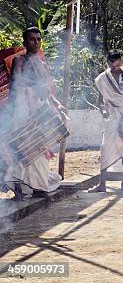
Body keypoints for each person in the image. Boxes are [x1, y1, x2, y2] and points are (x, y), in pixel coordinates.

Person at [3, 27, 65, 200]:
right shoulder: (19, 60)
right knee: (21, 148)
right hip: (22, 110)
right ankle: (18, 191)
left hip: (38, 111)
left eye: (38, 39)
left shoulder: (41, 63)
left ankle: (37, 186)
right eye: (32, 39)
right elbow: (15, 83)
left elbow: (47, 91)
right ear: (25, 42)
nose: (36, 42)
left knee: (38, 149)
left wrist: (56, 105)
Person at [88, 50, 123, 193]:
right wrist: (103, 111)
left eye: (118, 66)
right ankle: (102, 184)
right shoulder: (102, 79)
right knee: (105, 148)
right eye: (112, 66)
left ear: (121, 62)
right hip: (112, 117)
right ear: (108, 64)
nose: (115, 69)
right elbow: (100, 101)